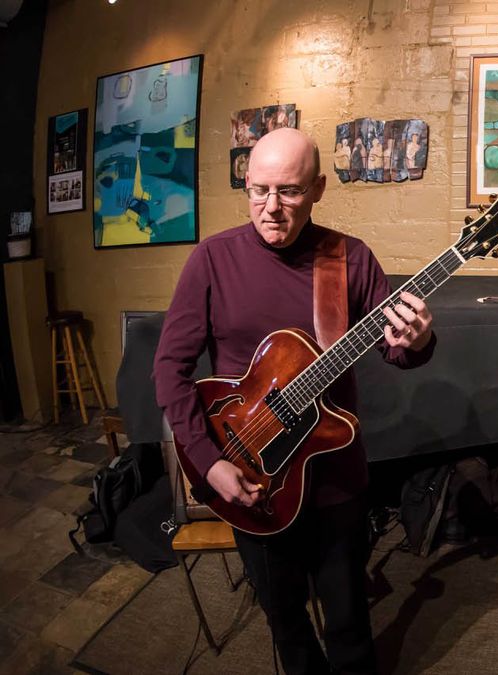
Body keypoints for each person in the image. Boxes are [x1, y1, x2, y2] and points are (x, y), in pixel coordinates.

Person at [154, 128, 435, 674]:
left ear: (319, 189)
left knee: (350, 621)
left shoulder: (349, 259)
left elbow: (398, 352)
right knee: (287, 625)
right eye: (259, 190)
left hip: (335, 479)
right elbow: (169, 369)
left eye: (289, 191)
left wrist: (418, 339)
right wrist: (209, 465)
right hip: (247, 475)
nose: (272, 208)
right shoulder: (212, 260)